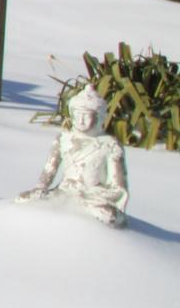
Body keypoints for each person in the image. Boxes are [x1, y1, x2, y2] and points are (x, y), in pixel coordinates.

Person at [17, 84, 130, 227]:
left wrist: (92, 195)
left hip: (93, 197)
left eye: (86, 115)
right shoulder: (64, 139)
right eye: (77, 115)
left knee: (108, 215)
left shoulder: (110, 145)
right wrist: (40, 187)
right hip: (64, 192)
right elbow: (49, 170)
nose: (81, 120)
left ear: (99, 116)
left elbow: (118, 187)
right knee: (24, 200)